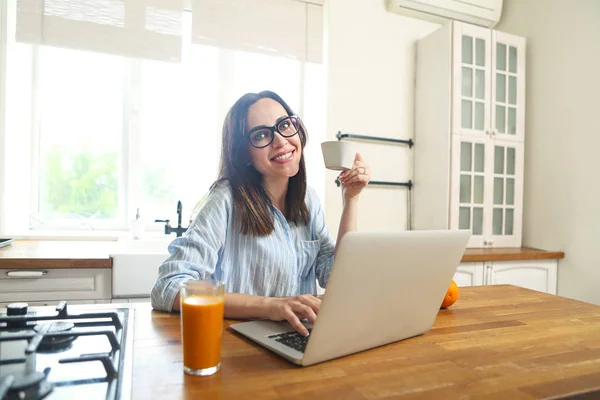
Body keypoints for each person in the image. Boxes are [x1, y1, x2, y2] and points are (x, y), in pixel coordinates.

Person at [150, 90, 371, 336]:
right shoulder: (225, 200)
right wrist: (270, 306)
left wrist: (351, 198)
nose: (280, 141)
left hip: (296, 338)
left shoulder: (308, 199)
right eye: (262, 134)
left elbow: (337, 279)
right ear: (243, 154)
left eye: (285, 125)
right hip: (238, 348)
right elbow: (167, 288)